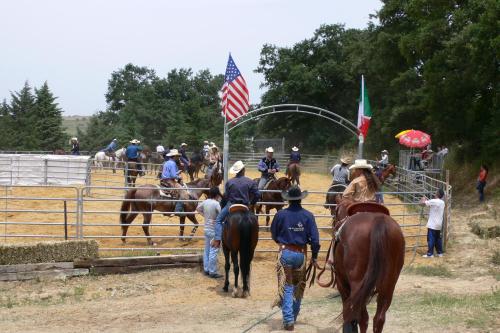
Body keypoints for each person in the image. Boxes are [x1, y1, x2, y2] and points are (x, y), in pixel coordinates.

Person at [271, 186, 320, 331]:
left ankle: (288, 320)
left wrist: (283, 243)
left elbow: (274, 234)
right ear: (300, 199)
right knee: (299, 286)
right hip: (301, 255)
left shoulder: (280, 214)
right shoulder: (308, 215)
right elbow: (315, 241)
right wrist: (315, 256)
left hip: (285, 253)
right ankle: (293, 315)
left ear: (288, 199)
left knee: (287, 287)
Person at [212, 161, 260, 246]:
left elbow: (226, 196)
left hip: (232, 204)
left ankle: (217, 240)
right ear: (243, 170)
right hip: (245, 205)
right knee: (255, 222)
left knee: (218, 220)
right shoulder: (250, 182)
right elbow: (257, 194)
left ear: (236, 172)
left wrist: (223, 204)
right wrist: (251, 203)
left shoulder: (230, 182)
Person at [196, 187, 222, 279]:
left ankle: (206, 269)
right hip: (214, 230)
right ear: (217, 194)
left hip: (206, 228)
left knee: (206, 250)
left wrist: (205, 216)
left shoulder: (205, 202)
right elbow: (221, 215)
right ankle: (212, 271)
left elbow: (198, 209)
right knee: (213, 250)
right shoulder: (216, 204)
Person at [160, 149, 188, 214]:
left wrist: (177, 172)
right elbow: (173, 175)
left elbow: (169, 172)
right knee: (184, 193)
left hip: (163, 180)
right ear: (174, 156)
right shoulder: (173, 163)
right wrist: (179, 176)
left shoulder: (166, 162)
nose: (178, 157)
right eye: (177, 156)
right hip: (170, 181)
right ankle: (177, 210)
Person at [420, 189, 445, 258]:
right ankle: (440, 253)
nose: (435, 192)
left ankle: (430, 254)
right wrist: (427, 201)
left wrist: (423, 199)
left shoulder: (434, 201)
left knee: (430, 238)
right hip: (439, 224)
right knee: (438, 238)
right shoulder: (442, 202)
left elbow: (422, 204)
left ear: (437, 194)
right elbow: (432, 205)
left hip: (432, 224)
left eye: (436, 192)